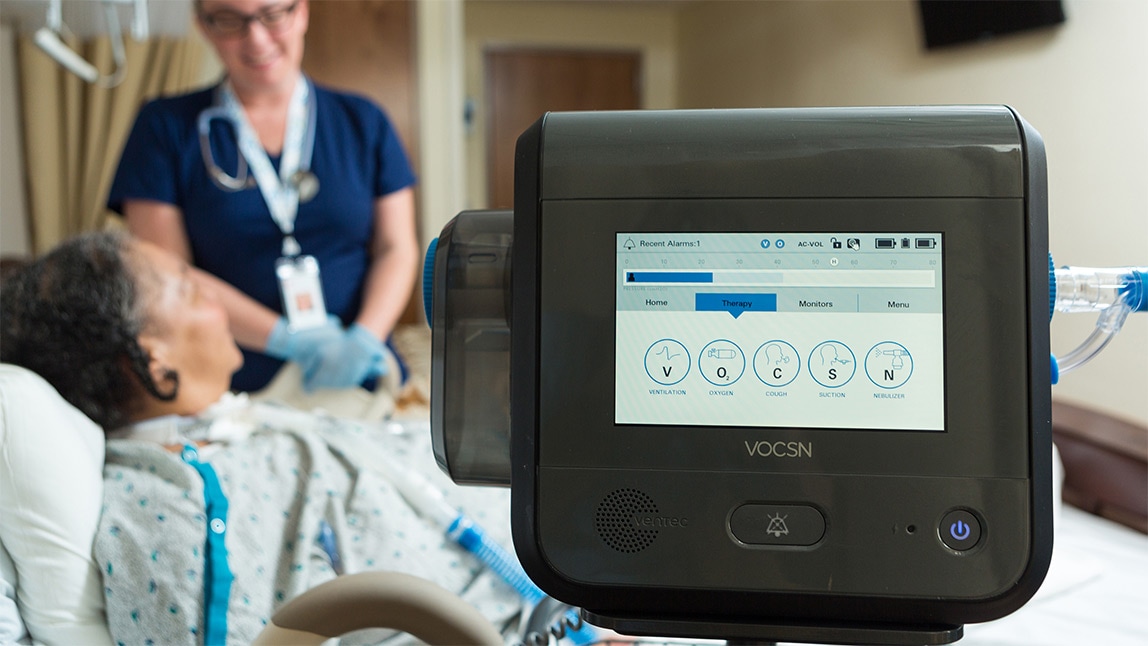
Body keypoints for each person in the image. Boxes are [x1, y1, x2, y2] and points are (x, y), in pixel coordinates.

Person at [0, 232, 522, 644]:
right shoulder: (170, 504)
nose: (216, 295)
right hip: (529, 606)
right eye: (189, 286)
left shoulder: (229, 430)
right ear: (152, 359)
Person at [106, 0, 419, 395]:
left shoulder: (364, 121)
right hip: (230, 387)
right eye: (229, 20)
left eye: (272, 15)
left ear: (302, 12)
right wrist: (287, 340)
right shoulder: (165, 127)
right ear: (203, 26)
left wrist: (363, 340)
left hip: (362, 379)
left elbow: (397, 247)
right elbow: (167, 271)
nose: (255, 38)